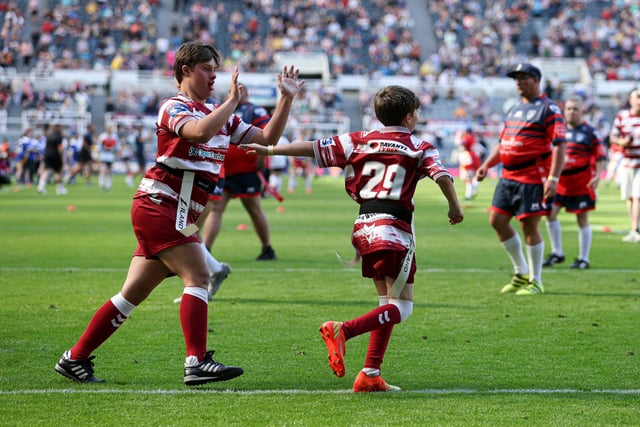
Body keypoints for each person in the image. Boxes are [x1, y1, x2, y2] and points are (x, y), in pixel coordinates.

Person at [54, 41, 304, 385]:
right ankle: (196, 361)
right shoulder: (173, 107)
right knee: (199, 276)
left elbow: (267, 138)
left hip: (172, 209)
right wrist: (233, 101)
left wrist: (286, 99)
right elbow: (198, 132)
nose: (213, 77)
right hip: (161, 205)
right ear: (185, 70)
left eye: (215, 71)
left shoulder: (221, 116)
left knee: (131, 295)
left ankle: (74, 358)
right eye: (206, 70)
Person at [243, 85, 464, 392]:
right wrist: (455, 207)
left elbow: (311, 147)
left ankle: (370, 373)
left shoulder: (357, 139)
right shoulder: (419, 145)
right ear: (410, 116)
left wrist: (270, 149)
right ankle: (342, 330)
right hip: (394, 230)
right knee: (403, 307)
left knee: (385, 303)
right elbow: (442, 175)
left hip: (363, 227)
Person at [476, 63, 566, 295]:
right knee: (497, 220)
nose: (518, 82)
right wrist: (487, 164)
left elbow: (559, 146)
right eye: (516, 78)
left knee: (529, 226)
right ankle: (520, 271)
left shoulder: (549, 110)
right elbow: (504, 143)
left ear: (537, 80)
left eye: (524, 77)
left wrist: (553, 178)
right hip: (508, 176)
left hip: (531, 176)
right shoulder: (515, 108)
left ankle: (536, 280)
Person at [202, 83, 278, 261]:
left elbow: (267, 136)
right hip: (223, 170)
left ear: (247, 94)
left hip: (247, 170)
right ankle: (205, 250)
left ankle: (267, 248)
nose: (237, 93)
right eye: (233, 91)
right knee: (215, 209)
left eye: (241, 91)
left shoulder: (255, 111)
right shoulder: (221, 110)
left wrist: (262, 159)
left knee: (254, 209)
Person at [542, 97, 607, 269]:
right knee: (550, 214)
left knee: (582, 219)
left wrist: (598, 176)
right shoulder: (558, 130)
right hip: (560, 182)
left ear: (582, 111)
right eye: (569, 108)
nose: (572, 112)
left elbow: (601, 155)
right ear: (564, 110)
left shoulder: (590, 131)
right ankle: (558, 253)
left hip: (581, 183)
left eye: (575, 109)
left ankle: (583, 259)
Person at [608, 88, 640, 243]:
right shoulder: (622, 116)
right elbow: (612, 136)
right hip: (627, 162)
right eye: (637, 97)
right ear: (631, 100)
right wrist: (622, 142)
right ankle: (634, 227)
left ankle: (635, 229)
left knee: (637, 196)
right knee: (629, 197)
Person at [37, 123, 68, 195]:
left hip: (47, 155)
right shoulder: (59, 137)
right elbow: (60, 148)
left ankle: (41, 187)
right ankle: (59, 189)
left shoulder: (48, 136)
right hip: (56, 156)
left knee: (46, 170)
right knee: (58, 172)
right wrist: (61, 157)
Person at [456, 127, 482, 200]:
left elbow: (461, 143)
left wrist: (458, 137)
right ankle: (472, 190)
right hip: (474, 158)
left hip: (469, 158)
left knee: (467, 177)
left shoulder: (467, 137)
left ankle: (470, 193)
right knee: (472, 176)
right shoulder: (473, 138)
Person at [96, 125, 120, 192]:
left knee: (109, 171)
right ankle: (101, 185)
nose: (109, 130)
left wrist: (117, 154)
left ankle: (108, 186)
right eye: (108, 128)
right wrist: (98, 156)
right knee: (103, 170)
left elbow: (117, 146)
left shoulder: (115, 136)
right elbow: (99, 146)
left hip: (111, 155)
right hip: (103, 155)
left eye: (110, 128)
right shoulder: (102, 136)